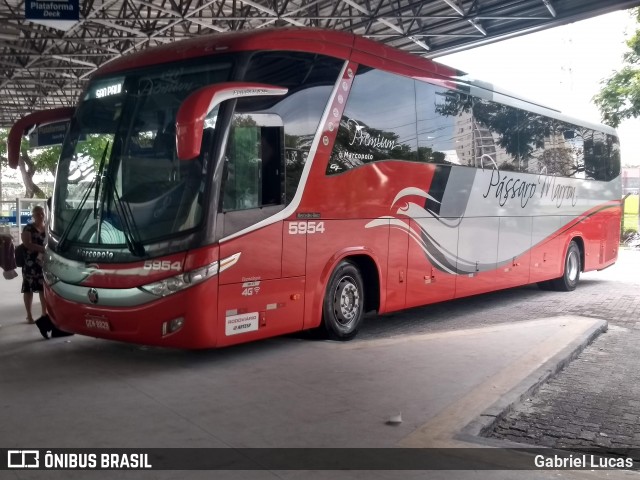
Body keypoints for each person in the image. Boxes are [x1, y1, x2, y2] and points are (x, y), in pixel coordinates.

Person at [21, 205, 47, 324]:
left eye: (42, 213)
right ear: (33, 215)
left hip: (44, 263)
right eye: (37, 214)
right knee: (28, 289)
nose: (40, 216)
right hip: (31, 263)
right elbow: (27, 244)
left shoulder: (47, 228)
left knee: (43, 289)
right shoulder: (28, 228)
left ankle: (44, 313)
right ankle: (29, 315)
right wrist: (43, 249)